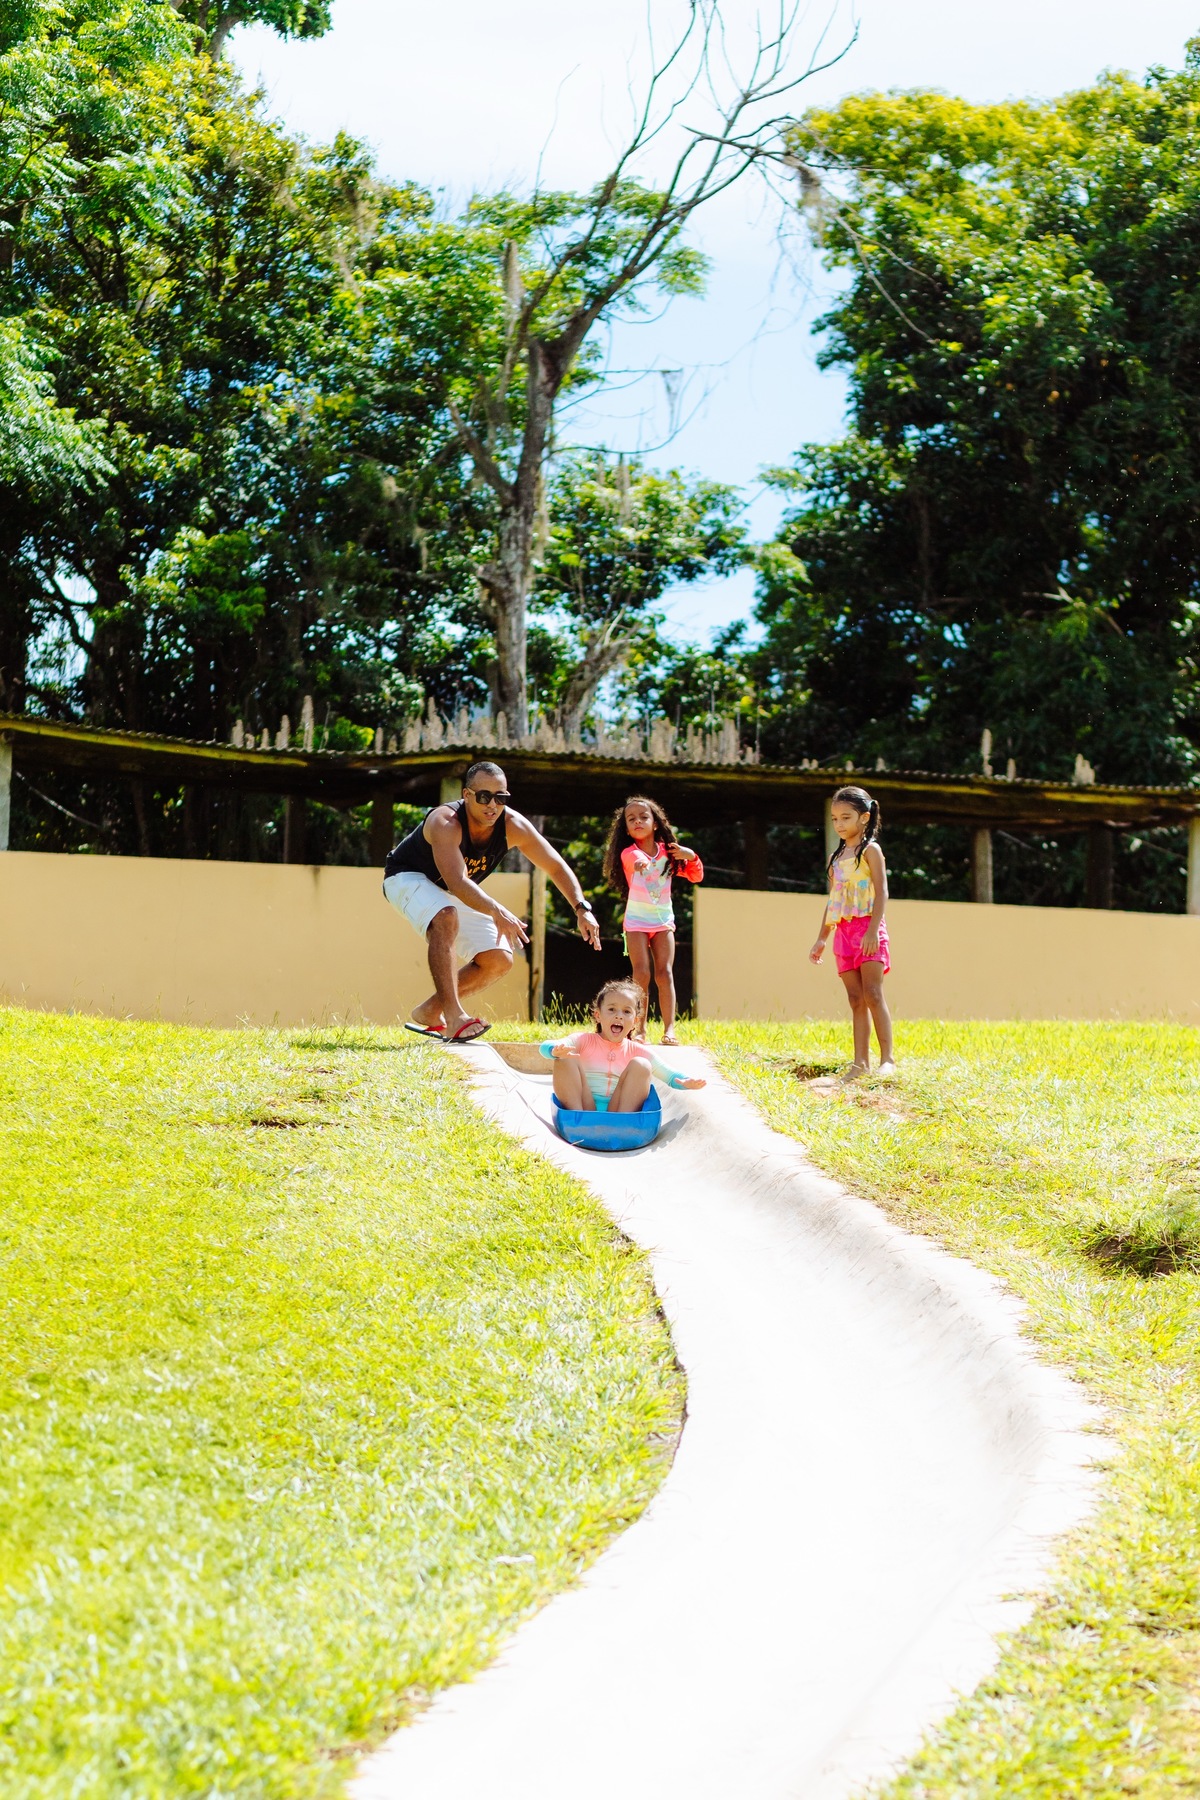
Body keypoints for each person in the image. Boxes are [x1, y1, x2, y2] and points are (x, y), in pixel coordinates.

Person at [383, 760, 601, 1043]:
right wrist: (496, 910)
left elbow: (555, 866)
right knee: (445, 916)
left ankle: (430, 1010)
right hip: (406, 877)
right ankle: (454, 1016)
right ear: (467, 795)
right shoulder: (445, 822)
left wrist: (581, 907)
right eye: (484, 796)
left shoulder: (514, 825)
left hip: (450, 891)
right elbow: (457, 881)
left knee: (498, 959)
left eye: (500, 797)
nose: (492, 805)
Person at [808, 785, 896, 1079]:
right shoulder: (835, 859)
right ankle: (860, 1063)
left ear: (864, 817)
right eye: (835, 819)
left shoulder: (871, 851)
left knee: (873, 994)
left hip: (868, 928)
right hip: (843, 935)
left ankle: (888, 1060)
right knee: (856, 999)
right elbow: (833, 900)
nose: (839, 824)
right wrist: (822, 937)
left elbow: (882, 892)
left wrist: (873, 931)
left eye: (846, 817)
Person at [602, 795, 703, 1047]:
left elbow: (695, 876)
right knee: (642, 973)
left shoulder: (669, 853)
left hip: (663, 921)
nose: (638, 821)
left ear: (655, 823)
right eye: (631, 819)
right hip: (636, 921)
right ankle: (640, 1030)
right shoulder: (629, 853)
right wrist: (640, 863)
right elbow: (633, 861)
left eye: (643, 817)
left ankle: (670, 1030)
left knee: (664, 973)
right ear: (626, 829)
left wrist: (691, 856)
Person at [540, 978, 706, 1112]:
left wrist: (685, 1082)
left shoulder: (636, 1050)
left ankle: (623, 1122)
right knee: (565, 1058)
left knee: (642, 1064)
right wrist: (554, 1050)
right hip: (583, 1106)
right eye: (611, 1009)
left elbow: (669, 1075)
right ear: (598, 1015)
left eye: (626, 1011)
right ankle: (576, 1118)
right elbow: (545, 1047)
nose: (619, 1016)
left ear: (635, 1021)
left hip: (619, 1109)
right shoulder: (583, 1040)